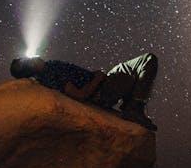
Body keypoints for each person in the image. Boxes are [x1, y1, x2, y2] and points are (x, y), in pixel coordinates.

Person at [10, 52, 158, 131]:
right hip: (103, 89)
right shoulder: (50, 70)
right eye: (28, 58)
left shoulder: (45, 77)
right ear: (32, 65)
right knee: (148, 60)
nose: (34, 55)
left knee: (132, 69)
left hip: (102, 85)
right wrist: (97, 79)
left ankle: (130, 106)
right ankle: (134, 108)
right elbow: (79, 95)